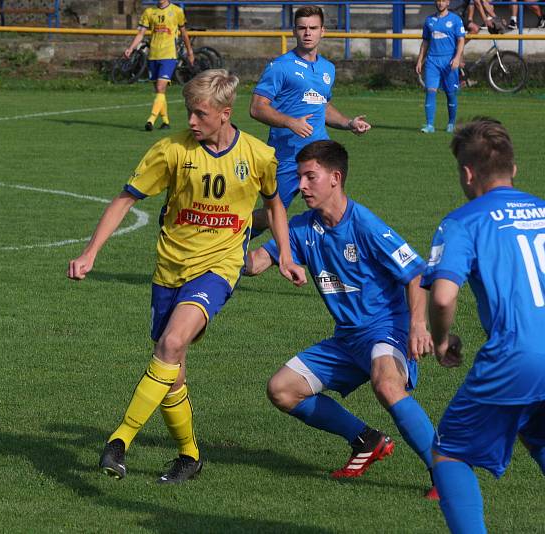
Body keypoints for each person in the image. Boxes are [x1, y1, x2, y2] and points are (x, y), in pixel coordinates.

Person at [67, 69, 306, 483]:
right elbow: (126, 199)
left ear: (225, 113)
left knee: (172, 342)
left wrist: (284, 254)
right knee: (172, 369)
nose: (191, 121)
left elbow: (275, 205)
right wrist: (91, 252)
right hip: (169, 268)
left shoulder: (257, 156)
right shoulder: (171, 151)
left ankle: (119, 441)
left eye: (199, 114)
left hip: (219, 267)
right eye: (188, 113)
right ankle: (189, 455)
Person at [247, 140, 439, 498]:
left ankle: (444, 472)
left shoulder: (364, 225)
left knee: (386, 384)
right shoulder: (304, 228)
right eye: (299, 177)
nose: (301, 185)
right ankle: (366, 440)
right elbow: (255, 264)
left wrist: (417, 326)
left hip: (386, 330)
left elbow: (415, 273)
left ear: (335, 178)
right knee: (282, 390)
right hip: (348, 338)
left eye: (310, 176)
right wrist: (236, 228)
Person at [423, 118, 545, 533]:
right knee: (537, 433)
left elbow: (441, 295)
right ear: (514, 168)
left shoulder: (463, 221)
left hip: (519, 354)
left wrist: (441, 340)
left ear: (468, 173)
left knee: (450, 452)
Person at [249, 4, 370, 237]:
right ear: (294, 31)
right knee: (271, 215)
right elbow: (256, 108)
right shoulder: (280, 67)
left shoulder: (328, 68)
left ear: (322, 31)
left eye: (313, 28)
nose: (307, 33)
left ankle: (334, 259)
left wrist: (348, 123)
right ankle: (228, 242)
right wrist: (290, 122)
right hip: (286, 157)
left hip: (319, 154)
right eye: (302, 28)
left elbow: (321, 105)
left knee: (333, 210)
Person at [123, 0, 193, 131]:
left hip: (169, 55)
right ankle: (165, 122)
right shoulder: (149, 12)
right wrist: (131, 48)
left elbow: (184, 33)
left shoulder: (177, 11)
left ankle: (151, 120)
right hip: (153, 55)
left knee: (161, 87)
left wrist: (190, 52)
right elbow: (141, 34)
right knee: (159, 91)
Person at [416, 0, 465, 134]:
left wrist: (457, 58)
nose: (440, 3)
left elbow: (461, 40)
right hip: (432, 60)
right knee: (430, 90)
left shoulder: (455, 20)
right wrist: (420, 60)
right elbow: (425, 41)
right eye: (438, 0)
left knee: (450, 93)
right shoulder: (429, 20)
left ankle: (451, 123)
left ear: (448, 2)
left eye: (443, 0)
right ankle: (430, 125)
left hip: (449, 61)